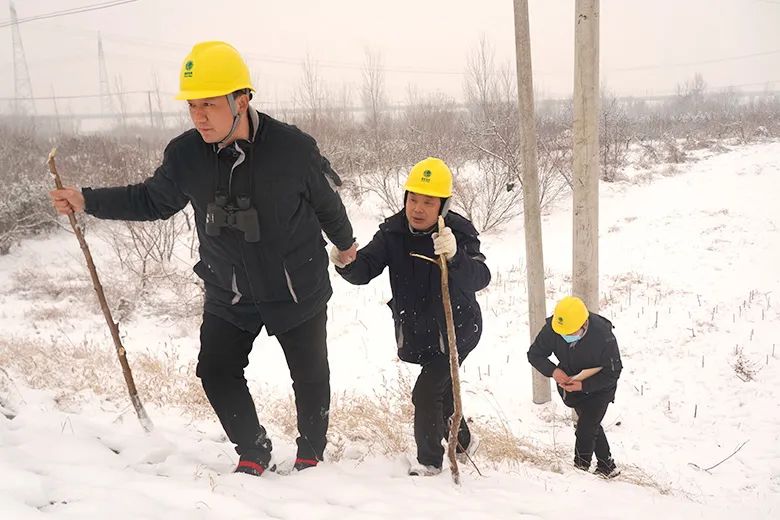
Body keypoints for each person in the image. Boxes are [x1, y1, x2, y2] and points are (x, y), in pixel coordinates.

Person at [49, 41, 357, 477]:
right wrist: (87, 200)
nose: (199, 117)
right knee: (215, 370)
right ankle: (253, 448)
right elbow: (151, 200)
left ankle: (311, 452)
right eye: (192, 106)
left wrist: (345, 244)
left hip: (295, 285)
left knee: (309, 375)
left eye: (209, 104)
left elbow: (327, 204)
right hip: (229, 287)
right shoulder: (185, 154)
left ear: (241, 100)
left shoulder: (292, 148)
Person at [332, 157, 491, 476]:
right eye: (413, 199)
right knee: (442, 389)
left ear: (443, 205)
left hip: (457, 330)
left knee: (427, 392)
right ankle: (463, 442)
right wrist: (346, 262)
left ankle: (429, 463)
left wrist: (455, 256)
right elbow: (366, 268)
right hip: (418, 329)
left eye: (428, 202)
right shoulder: (393, 233)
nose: (418, 209)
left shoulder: (458, 233)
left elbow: (481, 277)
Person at [527, 296, 623, 478]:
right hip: (571, 384)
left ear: (584, 324)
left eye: (571, 333)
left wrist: (584, 384)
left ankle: (580, 472)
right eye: (563, 333)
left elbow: (613, 372)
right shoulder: (555, 327)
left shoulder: (604, 336)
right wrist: (554, 371)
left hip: (600, 387)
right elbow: (534, 354)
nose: (566, 337)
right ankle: (607, 466)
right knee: (591, 425)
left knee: (585, 428)